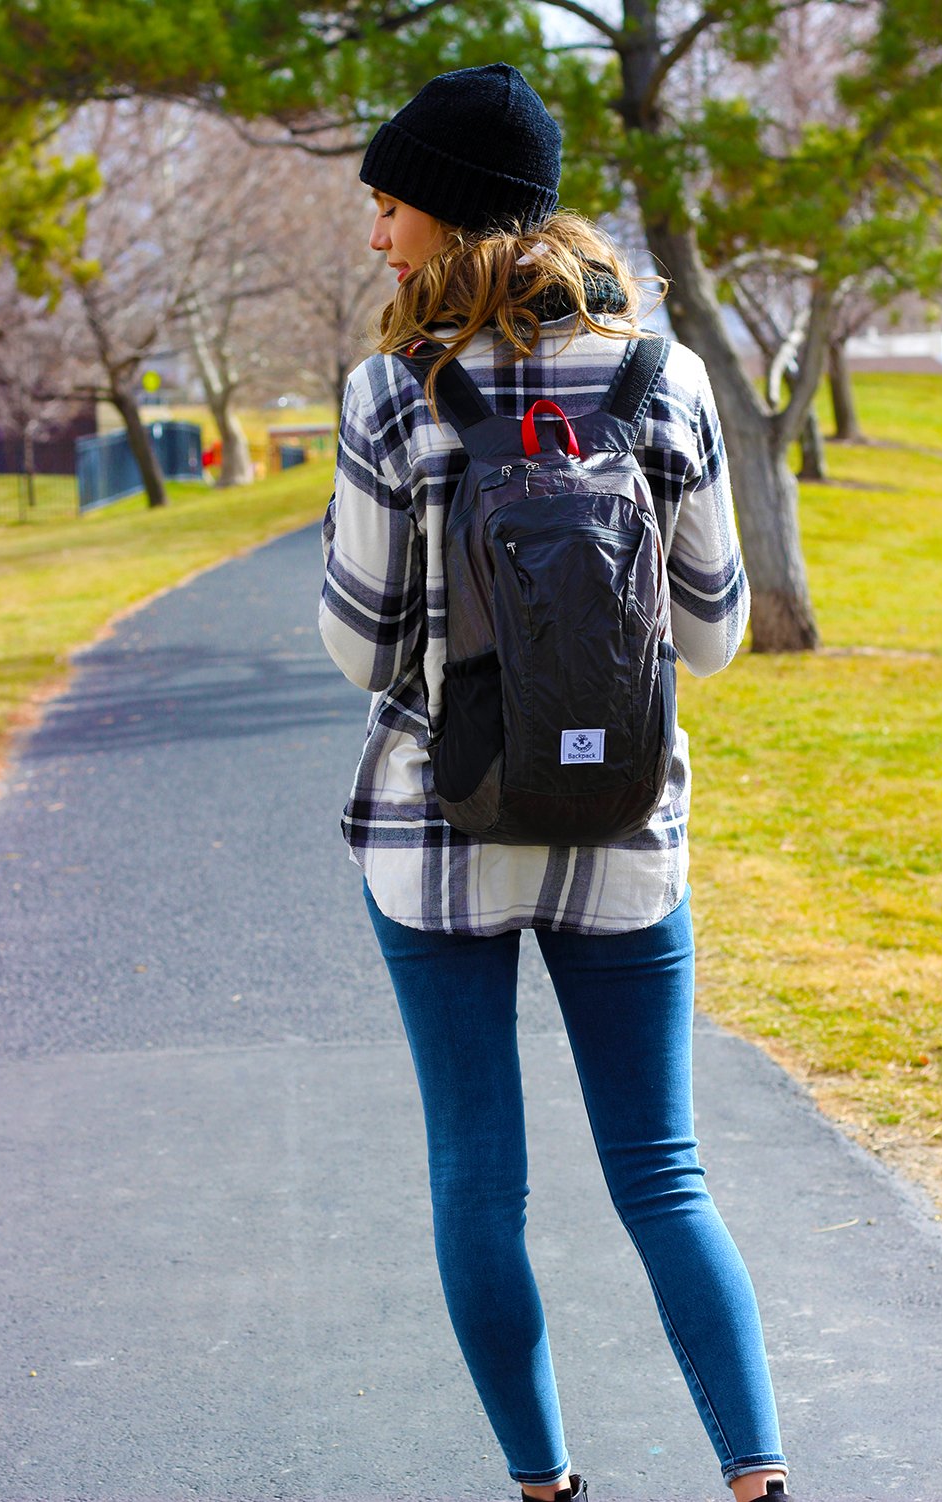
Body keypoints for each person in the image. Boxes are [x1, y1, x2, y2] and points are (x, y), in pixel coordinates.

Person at [319, 61, 794, 1502]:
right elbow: (710, 637)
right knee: (662, 1171)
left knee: (479, 1178)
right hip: (623, 835)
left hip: (437, 838)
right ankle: (757, 1479)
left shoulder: (391, 390)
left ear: (453, 214)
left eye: (391, 205)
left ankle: (544, 1485)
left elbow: (362, 647)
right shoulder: (665, 378)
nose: (376, 233)